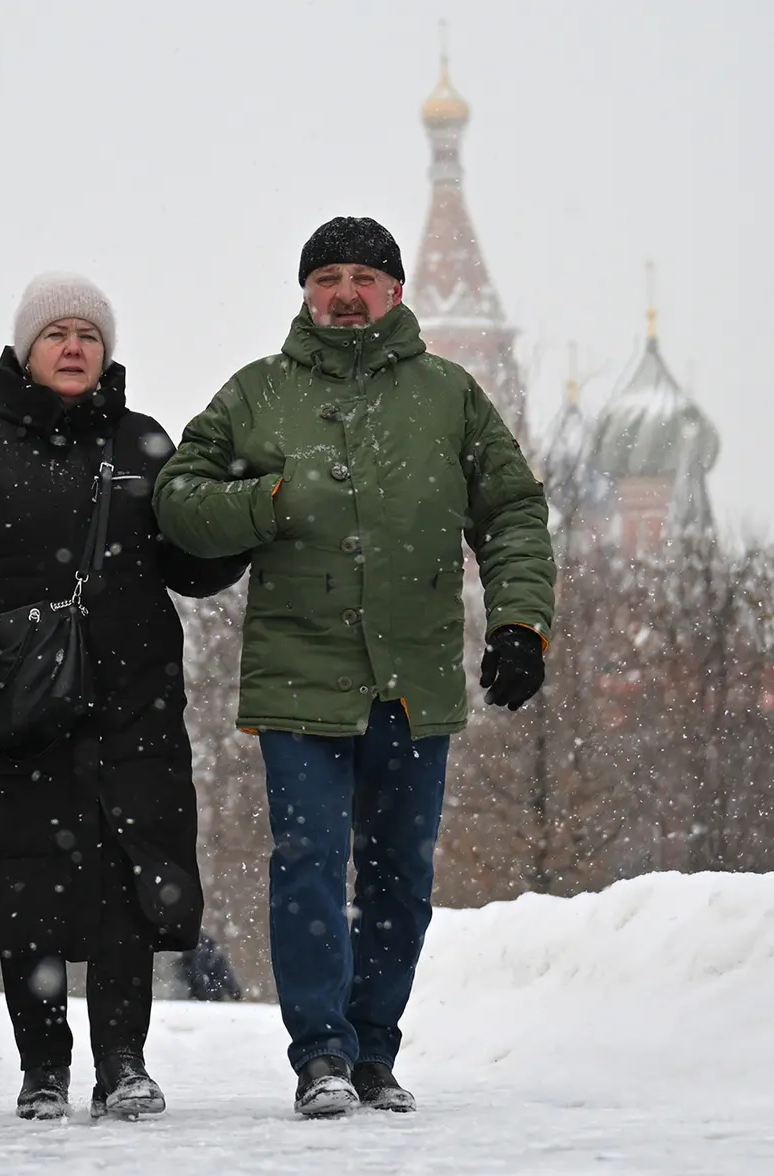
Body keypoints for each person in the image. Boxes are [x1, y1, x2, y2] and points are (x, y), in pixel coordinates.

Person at [153, 216, 555, 1117]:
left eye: (362, 278)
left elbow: (514, 512)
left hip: (414, 679)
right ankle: (320, 1055)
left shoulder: (449, 396)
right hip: (298, 676)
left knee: (399, 879)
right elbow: (178, 499)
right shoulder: (257, 394)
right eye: (326, 276)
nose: (344, 293)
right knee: (307, 862)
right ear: (304, 292)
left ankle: (375, 1049)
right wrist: (268, 497)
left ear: (395, 293)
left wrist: (519, 623)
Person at [0, 274, 248, 1122]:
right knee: (28, 887)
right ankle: (43, 1069)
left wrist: (237, 519)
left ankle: (124, 1064)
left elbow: (191, 566)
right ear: (26, 348)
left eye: (87, 335)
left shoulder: (142, 446)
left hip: (131, 700)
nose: (72, 347)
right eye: (55, 333)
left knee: (131, 883)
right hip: (16, 702)